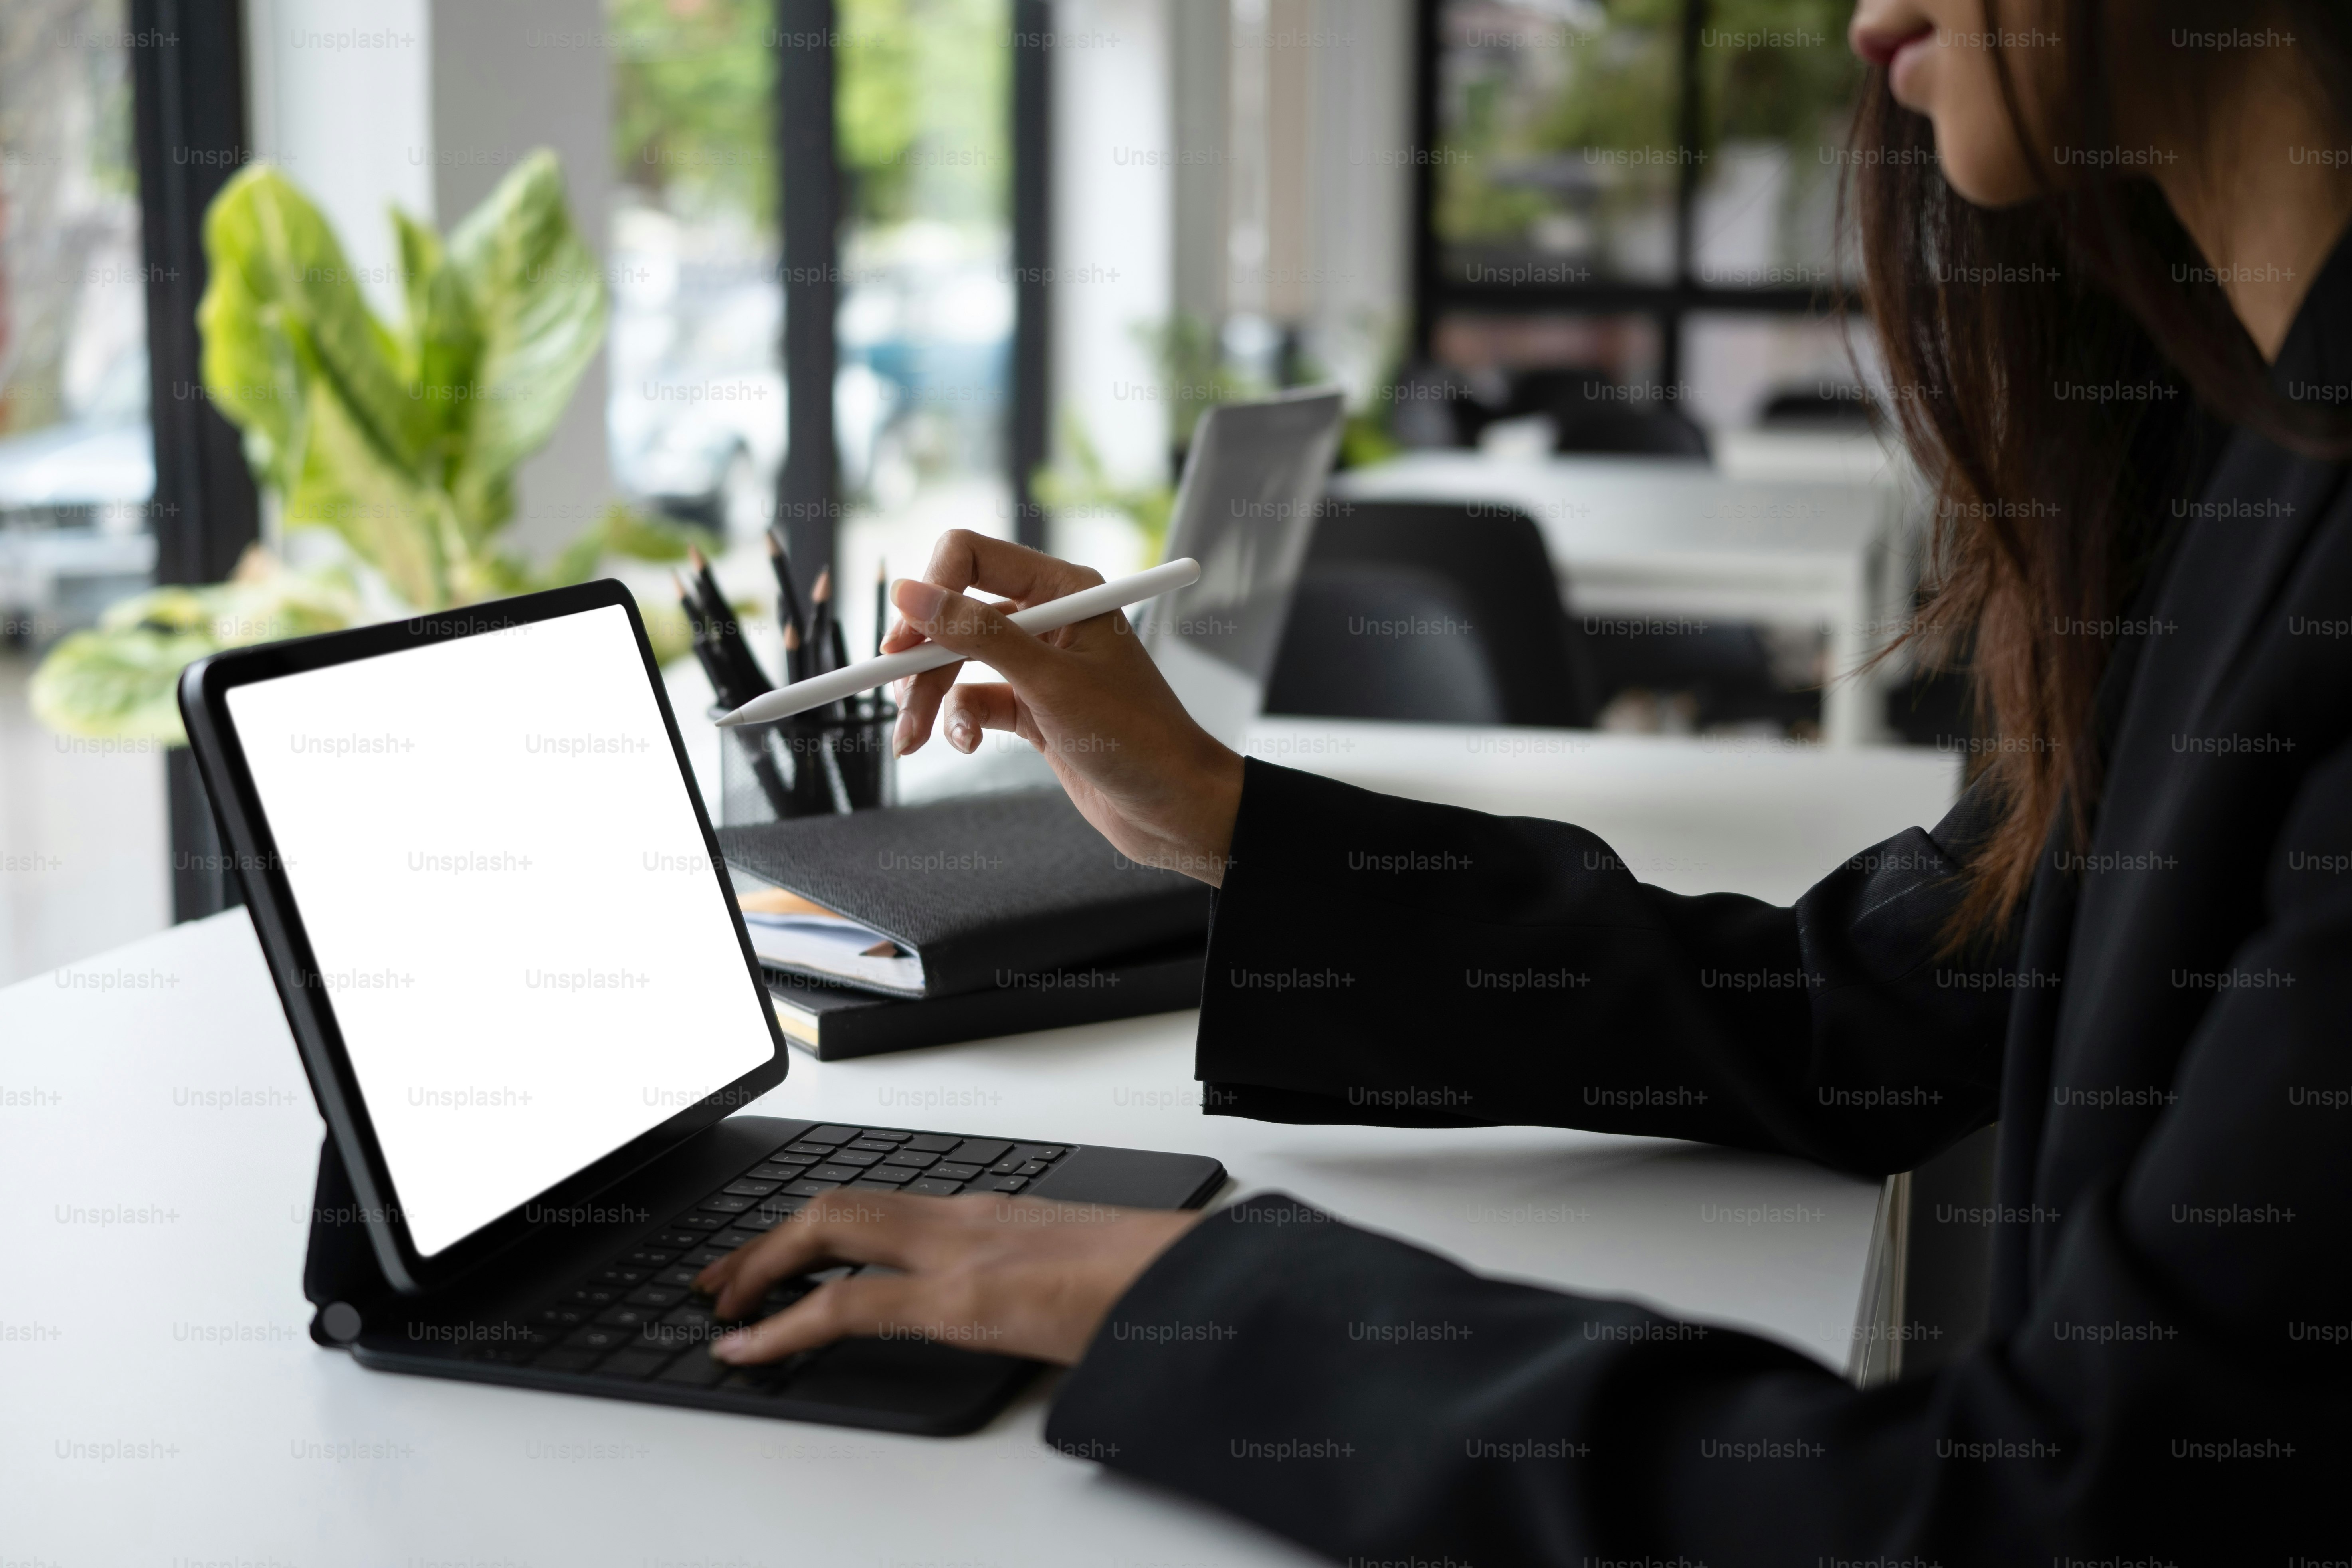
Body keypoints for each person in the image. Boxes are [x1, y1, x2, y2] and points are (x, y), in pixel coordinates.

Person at [699, 1, 2351, 1558]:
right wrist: (1227, 818)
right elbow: (1866, 1004)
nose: (1855, 15)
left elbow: (2056, 1514)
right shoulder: (2237, 447)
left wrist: (1202, 1307)